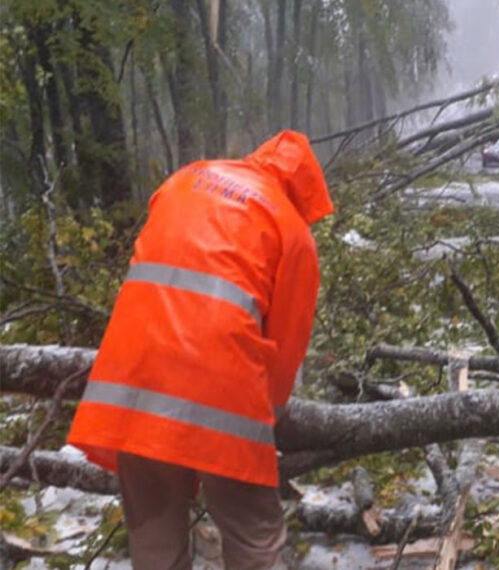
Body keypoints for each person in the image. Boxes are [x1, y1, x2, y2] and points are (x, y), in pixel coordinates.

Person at [66, 130, 333, 569]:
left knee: (153, 536)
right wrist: (274, 414)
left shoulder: (184, 180)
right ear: (304, 191)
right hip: (223, 398)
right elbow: (286, 347)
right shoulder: (291, 230)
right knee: (254, 537)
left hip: (132, 383)